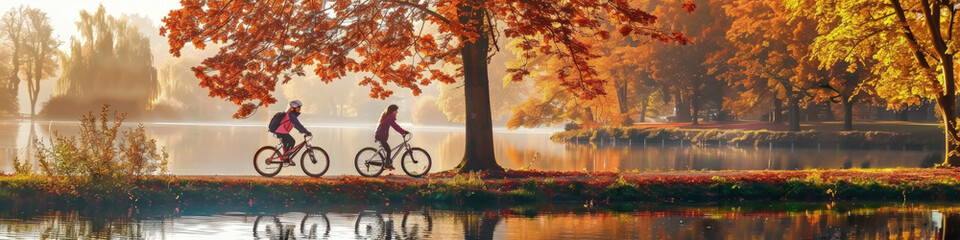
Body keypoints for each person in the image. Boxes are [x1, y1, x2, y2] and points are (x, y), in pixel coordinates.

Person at [275, 100, 312, 165]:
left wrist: (302, 131)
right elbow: (298, 124)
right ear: (295, 107)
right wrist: (307, 132)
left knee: (291, 142)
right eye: (299, 107)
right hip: (280, 131)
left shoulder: (292, 114)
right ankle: (286, 157)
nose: (300, 109)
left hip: (282, 131)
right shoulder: (291, 115)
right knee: (292, 141)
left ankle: (286, 157)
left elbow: (294, 125)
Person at [375, 104, 408, 170]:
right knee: (388, 151)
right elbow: (395, 126)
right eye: (396, 110)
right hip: (381, 136)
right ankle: (387, 165)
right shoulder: (389, 118)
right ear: (392, 111)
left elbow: (395, 126)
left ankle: (388, 163)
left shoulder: (388, 117)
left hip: (381, 136)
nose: (397, 112)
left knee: (388, 150)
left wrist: (403, 131)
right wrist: (403, 132)